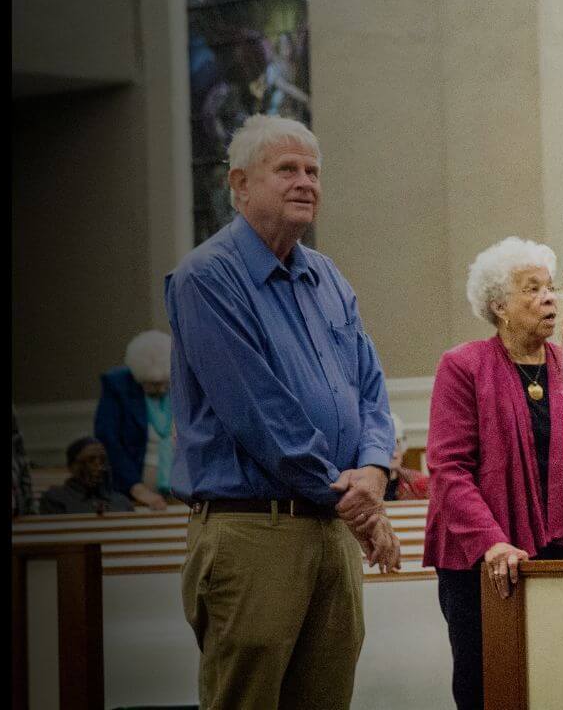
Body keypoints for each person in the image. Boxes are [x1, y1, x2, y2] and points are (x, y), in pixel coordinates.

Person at [166, 113, 400, 710]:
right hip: (253, 530)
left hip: (329, 528)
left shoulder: (327, 276)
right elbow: (261, 415)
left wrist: (373, 473)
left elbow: (371, 389)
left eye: (314, 171)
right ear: (239, 185)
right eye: (287, 169)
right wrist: (361, 507)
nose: (306, 182)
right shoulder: (208, 277)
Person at [423, 236, 563, 710]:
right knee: (490, 685)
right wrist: (491, 540)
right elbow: (449, 467)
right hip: (481, 560)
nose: (549, 298)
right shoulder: (463, 365)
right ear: (499, 306)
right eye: (532, 289)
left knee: (556, 678)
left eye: (550, 288)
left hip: (559, 555)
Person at [94, 330, 179, 510]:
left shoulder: (180, 382)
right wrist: (137, 488)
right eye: (154, 384)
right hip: (133, 491)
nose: (162, 390)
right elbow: (108, 439)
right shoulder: (117, 385)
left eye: (166, 383)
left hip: (182, 489)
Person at [40, 437, 136, 515]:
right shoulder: (55, 499)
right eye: (90, 461)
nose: (99, 468)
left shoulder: (121, 501)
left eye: (103, 461)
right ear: (72, 467)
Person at [384, 413, 430, 501]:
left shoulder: (419, 483)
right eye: (386, 447)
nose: (393, 454)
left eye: (397, 444)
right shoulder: (363, 486)